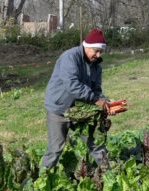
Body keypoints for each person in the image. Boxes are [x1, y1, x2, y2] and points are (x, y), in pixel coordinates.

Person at [42, 28, 109, 170]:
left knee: (95, 144)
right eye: (96, 51)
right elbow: (72, 84)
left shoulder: (96, 66)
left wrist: (106, 103)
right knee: (55, 149)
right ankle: (42, 179)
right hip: (59, 108)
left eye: (101, 51)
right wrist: (96, 100)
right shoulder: (70, 57)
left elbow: (96, 89)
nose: (98, 55)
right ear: (86, 46)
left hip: (80, 110)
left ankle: (111, 175)